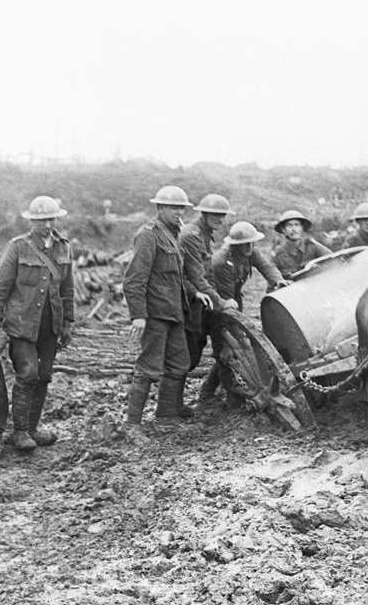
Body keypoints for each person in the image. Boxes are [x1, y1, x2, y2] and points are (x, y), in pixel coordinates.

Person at [0, 195, 73, 451]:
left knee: (43, 376)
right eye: (42, 220)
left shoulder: (63, 247)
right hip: (21, 325)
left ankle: (32, 428)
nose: (47, 224)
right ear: (32, 221)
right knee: (28, 374)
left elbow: (68, 288)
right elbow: (0, 285)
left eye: (51, 219)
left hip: (50, 326)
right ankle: (20, 431)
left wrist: (68, 322)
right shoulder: (18, 247)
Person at [122, 185, 213, 439]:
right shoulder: (148, 235)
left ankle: (166, 419)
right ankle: (132, 425)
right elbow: (134, 280)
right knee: (149, 367)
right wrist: (138, 315)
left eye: (181, 208)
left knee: (179, 364)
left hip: (174, 312)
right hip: (155, 313)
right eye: (173, 207)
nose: (178, 212)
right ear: (160, 208)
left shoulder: (173, 235)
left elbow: (175, 276)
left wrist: (194, 292)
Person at [200, 221, 290, 402]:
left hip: (234, 301)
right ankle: (225, 392)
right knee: (225, 348)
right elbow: (223, 299)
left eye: (252, 243)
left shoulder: (250, 251)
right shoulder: (221, 262)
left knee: (234, 346)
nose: (249, 247)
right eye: (245, 244)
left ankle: (211, 388)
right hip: (216, 306)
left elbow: (266, 267)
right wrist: (230, 314)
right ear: (235, 245)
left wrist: (278, 280)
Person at [179, 193, 238, 416]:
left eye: (222, 215)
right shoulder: (192, 235)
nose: (219, 219)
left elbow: (208, 276)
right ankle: (171, 407)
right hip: (188, 301)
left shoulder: (204, 235)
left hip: (201, 300)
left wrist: (217, 302)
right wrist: (221, 303)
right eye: (214, 214)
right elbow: (197, 277)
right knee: (188, 354)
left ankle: (189, 401)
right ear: (203, 213)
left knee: (200, 349)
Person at [271, 209, 332, 279]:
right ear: (283, 230)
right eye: (289, 226)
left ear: (302, 228)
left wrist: (319, 268)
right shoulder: (278, 254)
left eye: (297, 225)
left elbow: (333, 259)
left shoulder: (312, 246)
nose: (294, 229)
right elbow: (273, 279)